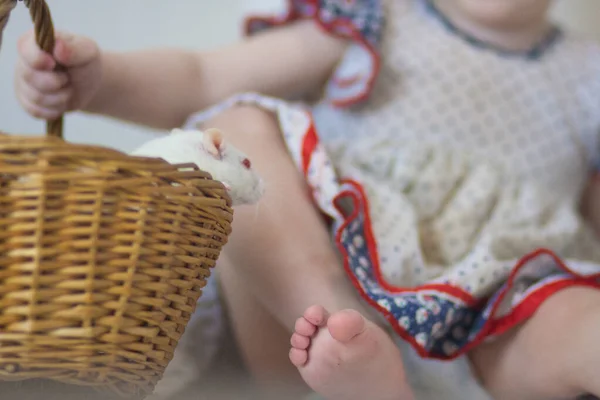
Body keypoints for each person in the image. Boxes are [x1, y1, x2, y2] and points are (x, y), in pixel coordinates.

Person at [13, 0, 600, 399]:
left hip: (494, 311)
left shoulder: (588, 70)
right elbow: (202, 78)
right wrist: (97, 80)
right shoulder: (377, 17)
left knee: (576, 317)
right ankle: (342, 327)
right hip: (307, 310)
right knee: (231, 127)